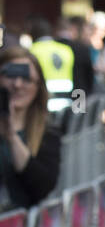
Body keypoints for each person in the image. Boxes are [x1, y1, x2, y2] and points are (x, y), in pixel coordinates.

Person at [0, 47, 59, 210]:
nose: (17, 84)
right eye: (10, 75)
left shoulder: (48, 132)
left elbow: (42, 188)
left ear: (38, 86)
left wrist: (12, 137)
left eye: (26, 78)